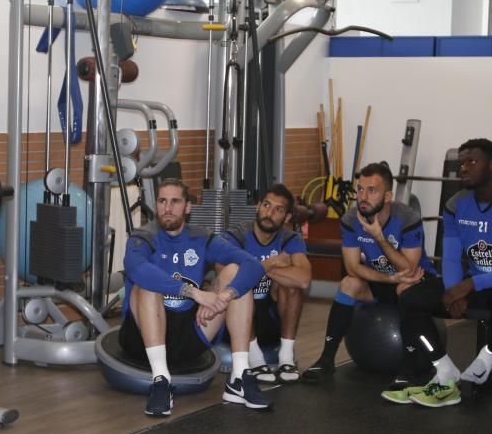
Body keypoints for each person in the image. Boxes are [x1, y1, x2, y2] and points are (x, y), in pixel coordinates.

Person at [384, 138, 492, 408]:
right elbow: (451, 257)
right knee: (410, 298)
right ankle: (445, 371)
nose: (463, 168)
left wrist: (468, 286)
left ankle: (487, 358)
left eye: (472, 162)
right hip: (475, 281)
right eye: (461, 163)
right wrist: (453, 289)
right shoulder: (456, 204)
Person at [121, 179, 269, 416]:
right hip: (142, 337)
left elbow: (253, 265)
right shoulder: (143, 237)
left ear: (188, 207)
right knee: (147, 284)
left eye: (175, 201)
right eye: (162, 201)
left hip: (189, 334)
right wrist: (195, 293)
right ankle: (161, 380)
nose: (167, 208)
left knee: (235, 274)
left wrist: (222, 296)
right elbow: (135, 266)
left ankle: (239, 377)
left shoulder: (202, 238)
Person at [302, 162, 433, 385]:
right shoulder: (351, 219)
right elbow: (353, 267)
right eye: (360, 189)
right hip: (382, 280)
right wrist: (388, 278)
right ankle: (326, 359)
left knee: (404, 286)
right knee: (348, 283)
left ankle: (409, 367)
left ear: (388, 196)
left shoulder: (408, 219)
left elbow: (409, 269)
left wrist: (379, 237)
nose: (363, 196)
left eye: (372, 190)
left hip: (416, 282)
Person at [220, 184, 312, 384]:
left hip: (272, 316)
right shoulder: (237, 235)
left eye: (278, 210)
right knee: (240, 285)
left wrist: (254, 267)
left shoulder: (291, 239)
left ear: (287, 217)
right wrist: (272, 263)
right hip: (237, 319)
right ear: (257, 206)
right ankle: (254, 357)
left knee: (293, 286)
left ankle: (286, 357)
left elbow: (304, 279)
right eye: (266, 205)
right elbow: (224, 274)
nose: (269, 213)